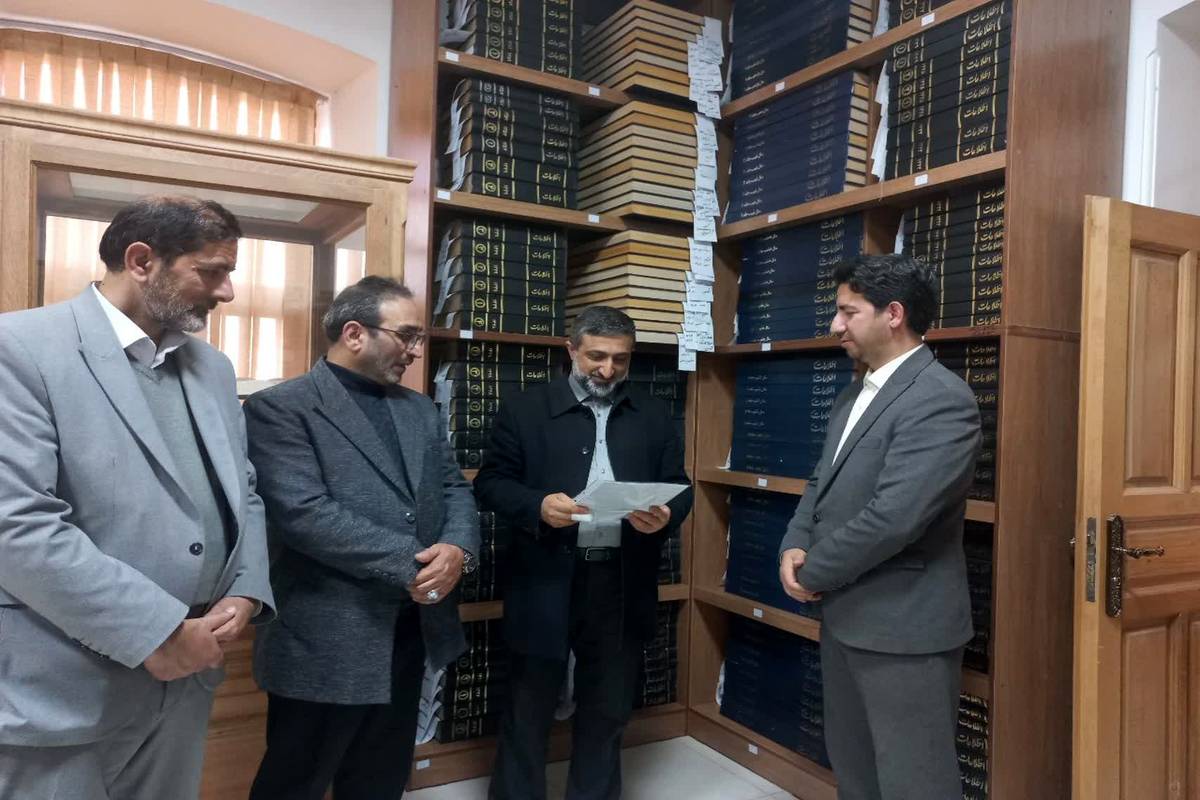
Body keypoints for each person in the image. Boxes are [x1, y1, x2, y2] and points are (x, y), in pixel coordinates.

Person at [0, 196, 274, 799]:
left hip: (190, 679)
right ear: (141, 260)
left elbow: (245, 492)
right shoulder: (19, 347)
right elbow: (16, 525)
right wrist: (157, 631)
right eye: (212, 271)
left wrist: (247, 588)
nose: (228, 292)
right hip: (64, 688)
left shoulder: (213, 368)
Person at [244, 275, 479, 800]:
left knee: (380, 778)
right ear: (354, 333)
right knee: (295, 780)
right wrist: (420, 564)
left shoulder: (420, 409)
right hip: (326, 634)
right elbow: (304, 514)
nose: (415, 351)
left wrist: (458, 550)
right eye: (407, 336)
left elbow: (453, 488)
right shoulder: (280, 408)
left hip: (410, 628)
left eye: (420, 338)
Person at [777, 253, 981, 800]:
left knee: (915, 783)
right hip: (846, 618)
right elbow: (820, 483)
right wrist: (793, 544)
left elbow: (895, 517)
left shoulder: (941, 399)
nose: (835, 325)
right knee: (856, 774)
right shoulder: (854, 394)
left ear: (893, 314)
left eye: (848, 312)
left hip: (905, 631)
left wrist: (813, 571)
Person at [474, 305, 693, 800]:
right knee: (527, 707)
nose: (608, 370)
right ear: (570, 349)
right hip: (543, 577)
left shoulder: (653, 413)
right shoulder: (525, 409)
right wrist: (536, 505)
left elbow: (678, 485)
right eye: (596, 356)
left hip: (620, 580)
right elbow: (490, 483)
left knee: (607, 711)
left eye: (620, 359)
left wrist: (666, 514)